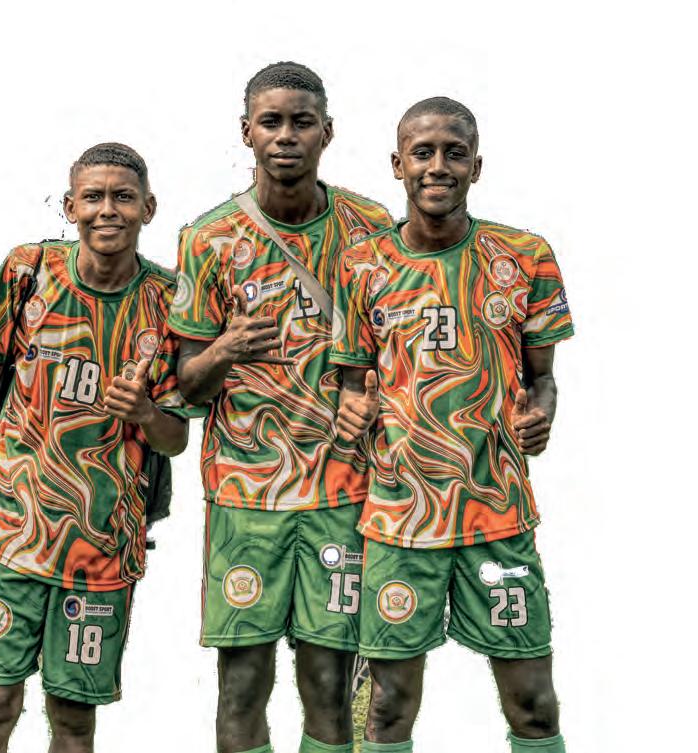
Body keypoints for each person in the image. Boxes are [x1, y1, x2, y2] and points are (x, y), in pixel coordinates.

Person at [0, 143, 195, 753]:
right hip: (11, 535)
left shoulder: (169, 301)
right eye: (93, 197)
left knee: (73, 717)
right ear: (70, 207)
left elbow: (176, 439)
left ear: (149, 208)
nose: (108, 210)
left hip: (102, 548)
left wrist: (145, 412)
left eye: (123, 197)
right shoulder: (29, 272)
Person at [331, 97, 575, 753]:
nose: (438, 165)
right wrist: (351, 407)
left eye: (454, 152)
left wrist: (541, 411)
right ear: (398, 165)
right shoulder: (361, 266)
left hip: (496, 513)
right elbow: (351, 382)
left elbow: (542, 378)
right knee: (386, 709)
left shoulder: (524, 256)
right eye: (423, 152)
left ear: (476, 166)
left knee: (533, 706)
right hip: (399, 520)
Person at [167, 62, 392, 753]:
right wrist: (224, 349)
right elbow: (186, 385)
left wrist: (366, 395)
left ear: (328, 132)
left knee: (329, 681)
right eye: (271, 122)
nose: (286, 135)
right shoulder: (208, 239)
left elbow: (401, 353)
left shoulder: (371, 229)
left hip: (344, 490)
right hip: (245, 494)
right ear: (247, 132)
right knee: (241, 682)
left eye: (301, 122)